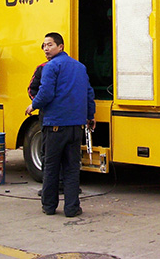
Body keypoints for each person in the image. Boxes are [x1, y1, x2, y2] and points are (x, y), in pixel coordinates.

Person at [25, 32, 95, 217]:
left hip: (55, 126)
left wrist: (33, 105)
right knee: (72, 169)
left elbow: (46, 93)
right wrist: (90, 116)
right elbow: (88, 93)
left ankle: (49, 206)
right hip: (76, 127)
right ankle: (72, 208)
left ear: (60, 46)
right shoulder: (80, 67)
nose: (46, 49)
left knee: (51, 167)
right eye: (44, 45)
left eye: (50, 45)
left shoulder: (51, 67)